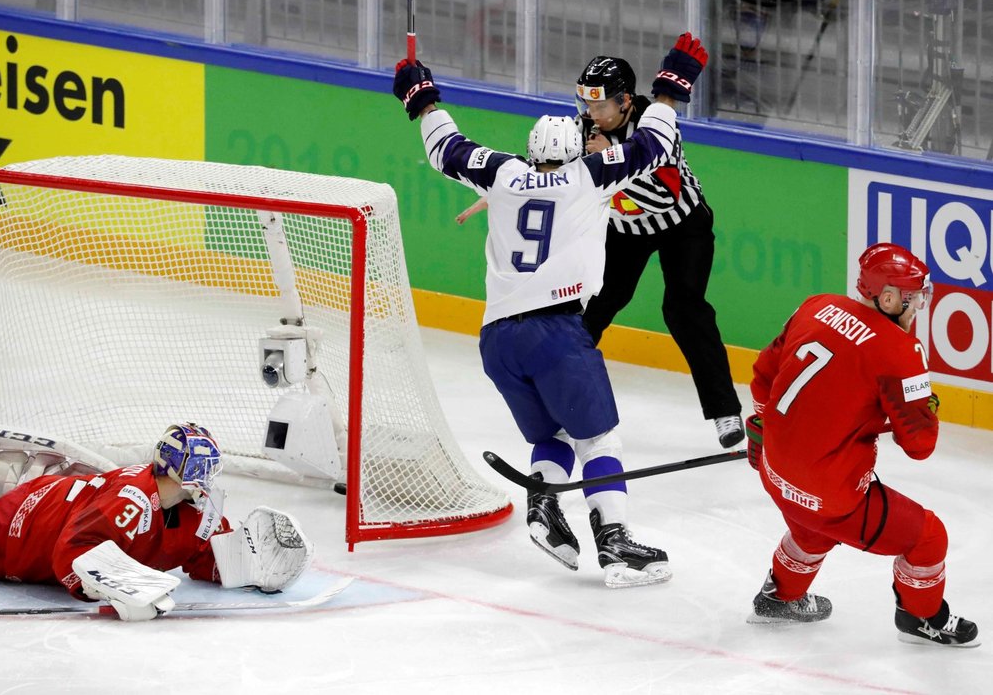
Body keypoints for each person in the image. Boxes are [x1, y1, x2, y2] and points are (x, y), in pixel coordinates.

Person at [392, 33, 708, 588]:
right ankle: (614, 545)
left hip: (496, 341)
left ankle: (543, 507)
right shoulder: (590, 176)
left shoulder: (506, 173)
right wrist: (668, 90)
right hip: (557, 334)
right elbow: (653, 146)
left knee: (555, 437)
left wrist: (421, 99)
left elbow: (447, 148)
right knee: (600, 442)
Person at [746, 243, 979, 647]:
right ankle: (921, 617)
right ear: (887, 298)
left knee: (811, 528)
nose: (916, 309)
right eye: (912, 300)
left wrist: (766, 431)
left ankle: (781, 596)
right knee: (927, 537)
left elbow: (764, 377)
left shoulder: (816, 305)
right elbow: (920, 444)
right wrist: (925, 406)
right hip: (831, 494)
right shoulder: (900, 351)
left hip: (774, 471)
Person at [0, 395, 314, 620]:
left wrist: (249, 563)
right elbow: (70, 554)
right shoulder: (130, 501)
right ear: (184, 472)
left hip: (56, 503)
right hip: (15, 531)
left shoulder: (194, 511)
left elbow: (206, 553)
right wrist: (111, 589)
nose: (209, 480)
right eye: (204, 470)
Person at [573, 52, 744, 450]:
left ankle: (724, 410)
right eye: (587, 104)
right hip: (625, 230)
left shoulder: (655, 127)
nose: (592, 113)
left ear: (626, 101)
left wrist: (605, 161)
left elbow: (663, 196)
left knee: (684, 310)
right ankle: (561, 394)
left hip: (683, 224)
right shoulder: (582, 129)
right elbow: (549, 165)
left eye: (601, 105)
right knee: (595, 304)